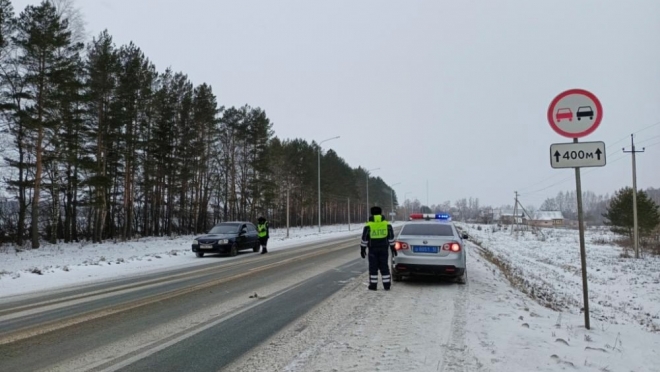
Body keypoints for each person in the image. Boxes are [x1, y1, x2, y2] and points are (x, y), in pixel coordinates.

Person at [360, 206, 396, 290]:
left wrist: (363, 249)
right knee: (384, 266)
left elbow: (364, 238)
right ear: (381, 213)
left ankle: (373, 285)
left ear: (371, 213)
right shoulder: (387, 224)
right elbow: (391, 238)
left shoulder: (368, 225)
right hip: (384, 249)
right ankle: (387, 285)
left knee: (373, 267)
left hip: (372, 250)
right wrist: (393, 247)